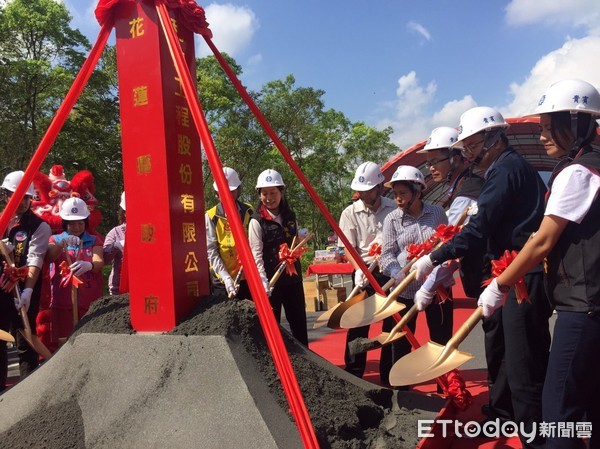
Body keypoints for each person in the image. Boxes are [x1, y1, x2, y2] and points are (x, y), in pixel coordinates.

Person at [411, 106, 552, 448]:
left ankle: (537, 438)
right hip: (507, 272)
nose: (469, 153)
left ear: (494, 138)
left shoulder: (506, 171)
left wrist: (434, 257)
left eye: (472, 145)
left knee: (524, 367)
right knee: (503, 351)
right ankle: (503, 414)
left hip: (522, 275)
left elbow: (477, 229)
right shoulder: (502, 170)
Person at [478, 79, 600, 449]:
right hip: (593, 302)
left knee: (558, 408)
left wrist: (499, 285)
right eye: (542, 128)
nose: (543, 136)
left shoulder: (577, 172)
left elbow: (542, 240)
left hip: (582, 307)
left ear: (578, 125)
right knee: (590, 408)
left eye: (550, 128)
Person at [378, 165, 451, 387]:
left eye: (403, 193)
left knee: (440, 338)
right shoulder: (392, 219)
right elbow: (386, 255)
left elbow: (447, 246)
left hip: (437, 288)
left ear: (418, 192)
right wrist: (394, 271)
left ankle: (445, 384)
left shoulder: (437, 213)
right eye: (396, 194)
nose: (398, 199)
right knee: (401, 340)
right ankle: (402, 385)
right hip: (405, 291)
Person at [413, 127, 486, 311]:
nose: (431, 168)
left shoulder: (466, 193)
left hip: (488, 275)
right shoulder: (460, 188)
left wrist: (427, 288)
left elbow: (454, 246)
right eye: (429, 163)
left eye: (436, 161)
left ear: (456, 157)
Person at [337, 161, 396, 382]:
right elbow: (348, 247)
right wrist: (359, 270)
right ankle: (354, 373)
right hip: (363, 271)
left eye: (368, 190)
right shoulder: (350, 213)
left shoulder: (393, 208)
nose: (364, 195)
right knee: (358, 324)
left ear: (380, 187)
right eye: (360, 191)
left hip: (389, 270)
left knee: (391, 322)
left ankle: (389, 374)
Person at [0, 171, 51, 391]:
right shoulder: (1, 221)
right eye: (14, 195)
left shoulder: (39, 226)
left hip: (23, 292)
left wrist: (28, 291)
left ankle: (29, 392)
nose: (19, 202)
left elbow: (35, 260)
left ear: (31, 199)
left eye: (25, 197)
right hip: (1, 291)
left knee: (25, 341)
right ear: (5, 195)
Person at [248, 169, 308, 345]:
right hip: (271, 284)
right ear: (259, 195)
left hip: (293, 280)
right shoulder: (256, 221)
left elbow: (295, 241)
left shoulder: (290, 216)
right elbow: (256, 253)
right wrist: (262, 280)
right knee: (272, 329)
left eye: (273, 192)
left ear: (281, 192)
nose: (269, 198)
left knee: (299, 325)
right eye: (264, 193)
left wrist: (300, 240)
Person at [46, 197, 105, 342]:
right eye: (72, 224)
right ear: (65, 224)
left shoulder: (94, 240)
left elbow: (99, 262)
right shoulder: (55, 239)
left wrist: (89, 265)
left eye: (80, 223)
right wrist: (61, 244)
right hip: (63, 300)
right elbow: (49, 257)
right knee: (63, 342)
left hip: (89, 301)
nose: (76, 227)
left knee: (90, 340)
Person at [206, 167, 253, 300]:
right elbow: (211, 251)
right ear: (217, 192)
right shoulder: (211, 216)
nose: (227, 195)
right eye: (222, 191)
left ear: (238, 190)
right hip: (223, 281)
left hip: (247, 278)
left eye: (231, 191)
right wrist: (226, 278)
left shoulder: (248, 211)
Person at [103, 192, 126, 296]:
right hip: (119, 286)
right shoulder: (116, 232)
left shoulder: (148, 230)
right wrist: (115, 246)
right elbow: (104, 258)